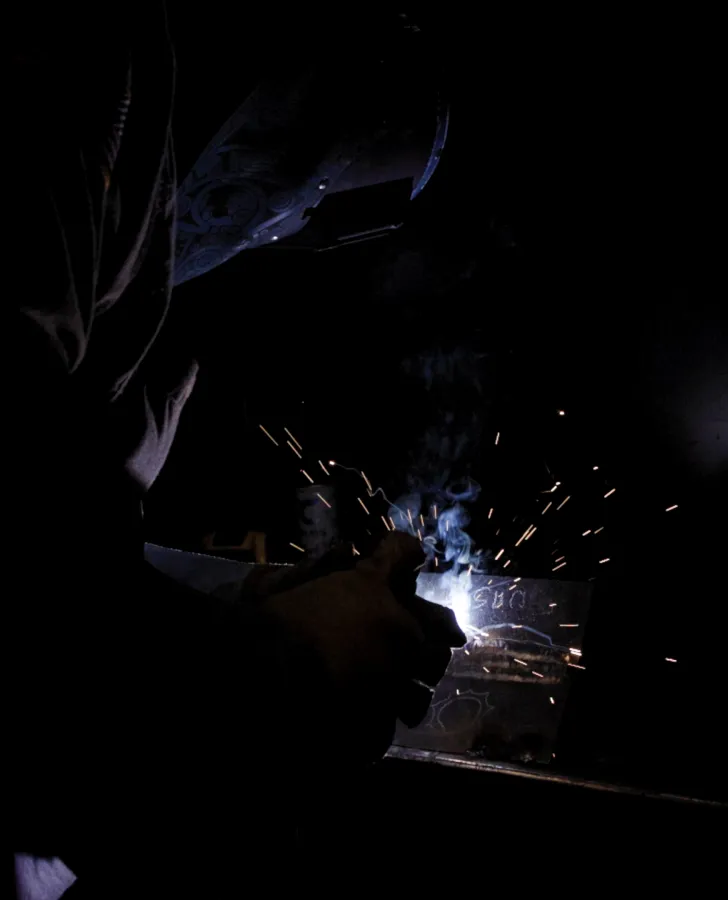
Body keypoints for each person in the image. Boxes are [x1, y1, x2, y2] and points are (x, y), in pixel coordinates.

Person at [10, 6, 464, 897]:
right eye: (306, 194)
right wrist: (271, 667)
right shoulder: (74, 71)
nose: (281, 225)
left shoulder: (136, 292)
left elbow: (61, 540)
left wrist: (241, 599)